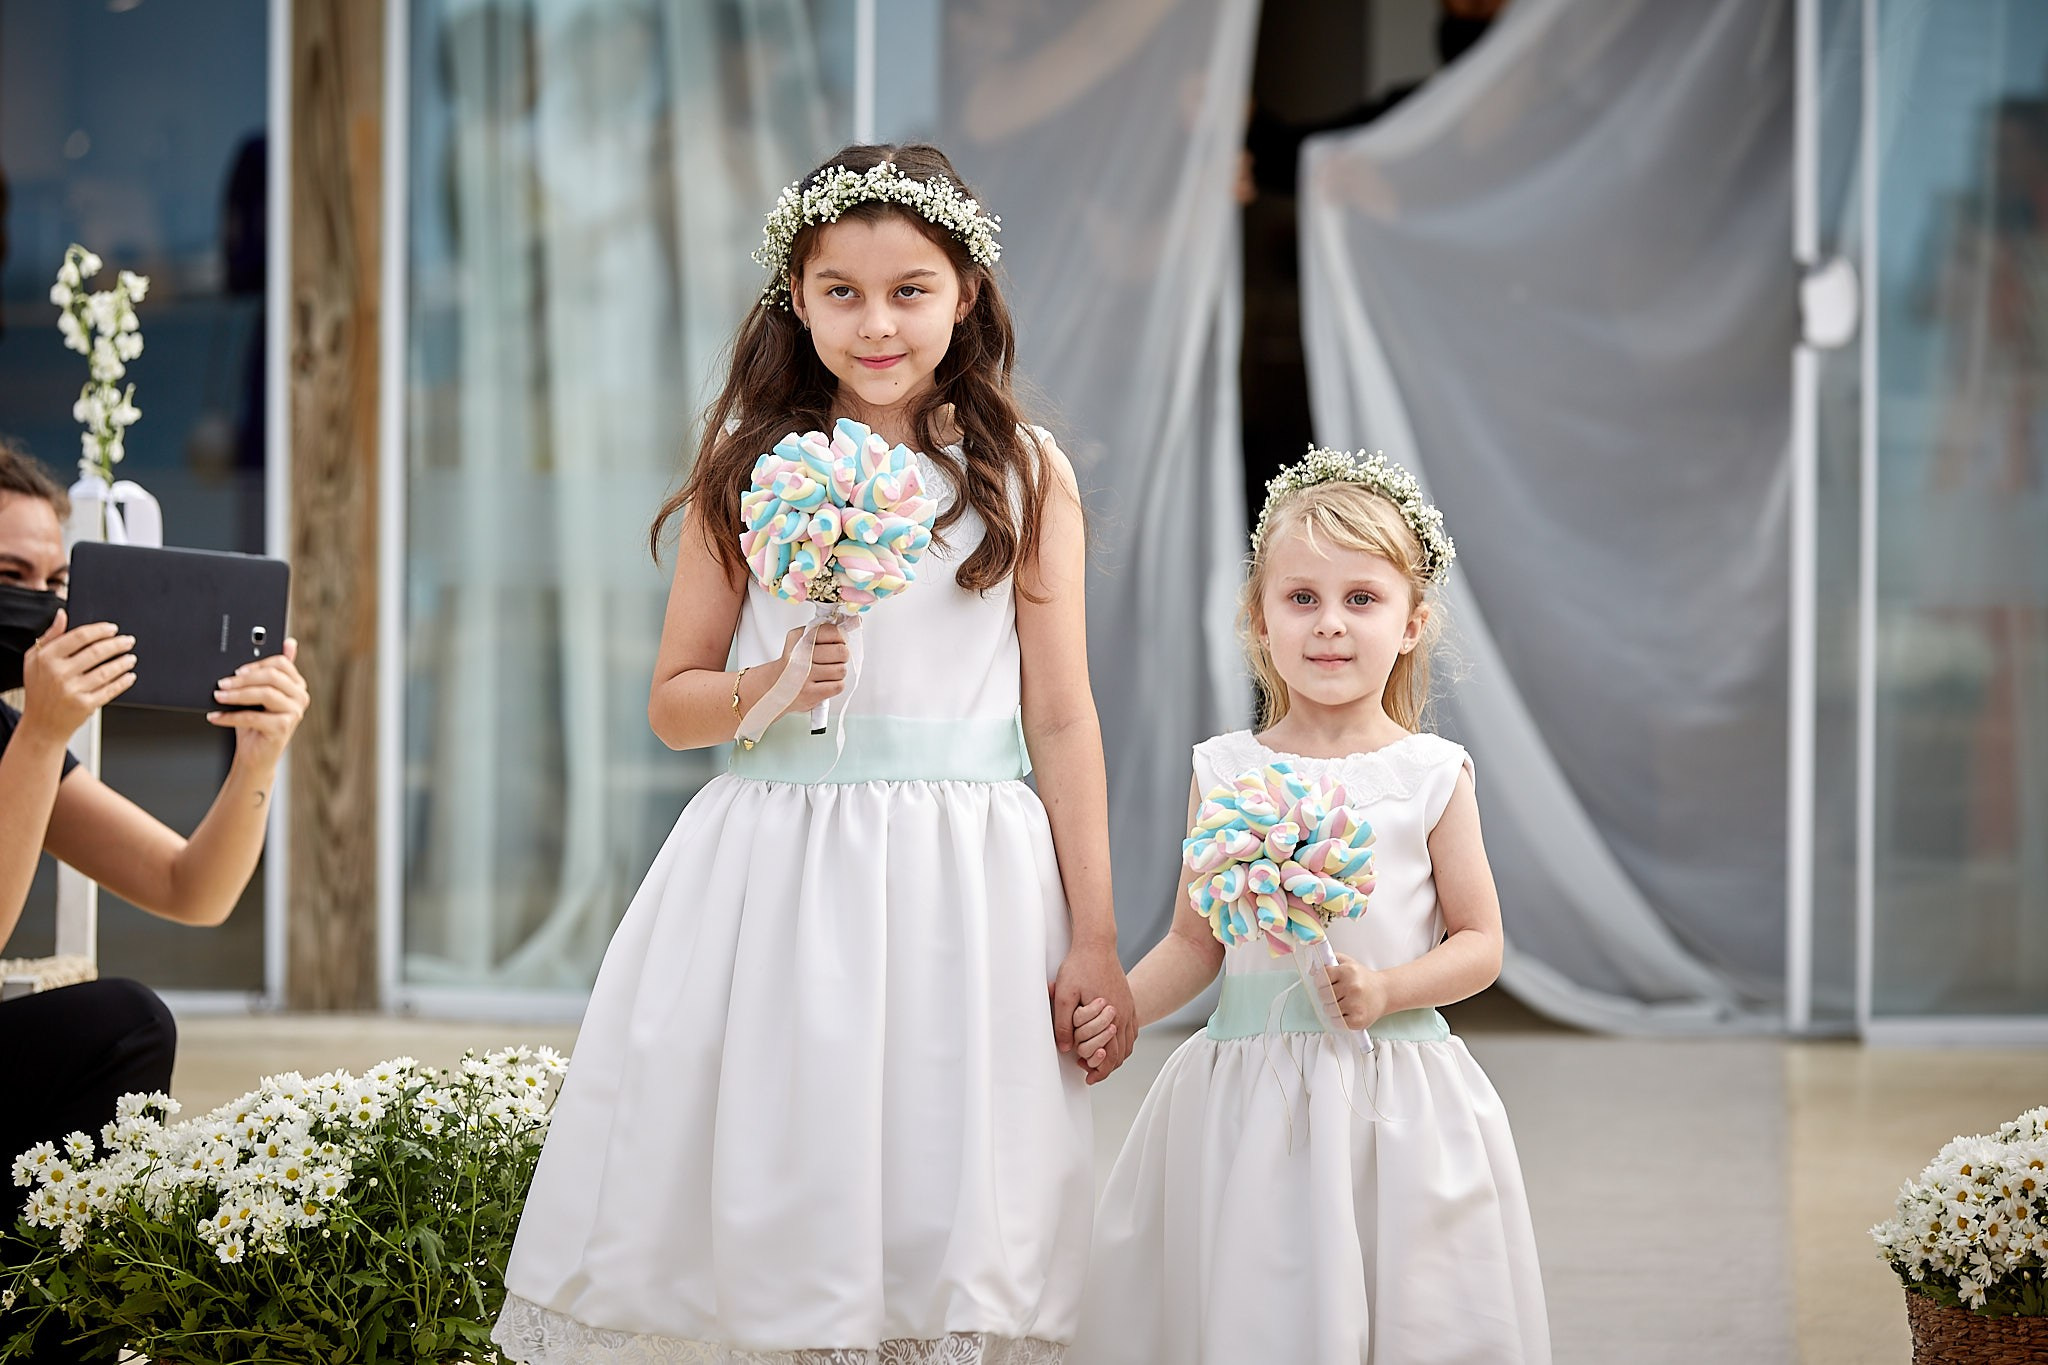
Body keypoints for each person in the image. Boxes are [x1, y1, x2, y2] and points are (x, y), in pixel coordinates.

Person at [490, 143, 1134, 1365]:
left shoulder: (1022, 477)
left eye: (909, 291)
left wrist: (1093, 935)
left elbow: (1062, 716)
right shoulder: (746, 461)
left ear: (967, 299)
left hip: (966, 877)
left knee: (949, 1169)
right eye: (839, 290)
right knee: (791, 1157)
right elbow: (673, 704)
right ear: (795, 297)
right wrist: (767, 687)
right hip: (779, 867)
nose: (875, 322)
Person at [1066, 449, 1550, 1362]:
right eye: (1302, 599)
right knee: (1267, 1303)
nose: (1331, 625)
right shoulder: (1226, 768)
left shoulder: (1429, 775)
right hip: (1252, 1092)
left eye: (1362, 599)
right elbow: (1194, 940)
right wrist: (1122, 1003)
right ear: (1259, 620)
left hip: (1390, 1092)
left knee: (1404, 1296)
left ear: (1413, 623)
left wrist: (1390, 986)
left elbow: (1481, 943)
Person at [0, 442, 308, 1362]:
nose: (42, 602)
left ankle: (53, 1324)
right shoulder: (25, 739)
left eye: (58, 579)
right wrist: (42, 734)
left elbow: (192, 889)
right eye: (10, 574)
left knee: (126, 1022)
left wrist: (259, 758)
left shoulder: (14, 736)